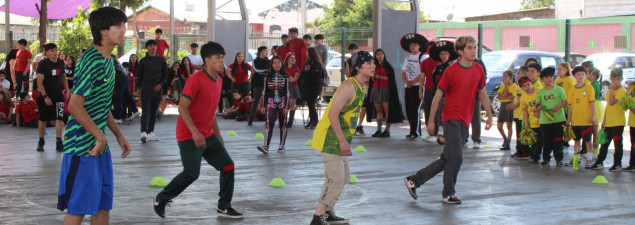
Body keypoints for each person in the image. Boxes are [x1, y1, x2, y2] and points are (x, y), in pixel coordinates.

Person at [57, 7, 131, 225]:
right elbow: (75, 106)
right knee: (78, 210)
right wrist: (100, 136)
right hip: (82, 147)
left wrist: (118, 135)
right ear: (103, 31)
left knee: (101, 207)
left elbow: (100, 105)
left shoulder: (108, 61)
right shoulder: (91, 60)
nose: (124, 30)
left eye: (124, 25)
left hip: (100, 148)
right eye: (118, 26)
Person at [152, 41, 243, 219]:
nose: (221, 61)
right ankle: (161, 198)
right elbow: (182, 108)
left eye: (222, 57)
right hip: (188, 134)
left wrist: (218, 134)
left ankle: (224, 206)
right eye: (217, 58)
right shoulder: (195, 79)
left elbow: (210, 110)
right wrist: (194, 132)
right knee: (192, 173)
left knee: (228, 166)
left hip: (208, 134)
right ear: (207, 60)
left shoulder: (218, 80)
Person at [404, 36, 492, 204]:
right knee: (456, 157)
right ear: (459, 51)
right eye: (469, 48)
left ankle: (414, 180)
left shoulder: (478, 69)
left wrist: (488, 114)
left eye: (474, 47)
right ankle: (448, 193)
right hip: (451, 117)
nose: (474, 50)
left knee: (449, 157)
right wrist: (431, 121)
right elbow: (438, 95)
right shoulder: (451, 71)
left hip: (465, 120)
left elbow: (482, 93)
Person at [309, 51, 374, 225]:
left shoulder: (361, 86)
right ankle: (317, 217)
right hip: (330, 137)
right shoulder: (349, 86)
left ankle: (328, 212)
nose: (373, 66)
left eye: (373, 63)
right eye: (368, 64)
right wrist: (342, 140)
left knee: (343, 177)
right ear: (358, 68)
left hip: (340, 138)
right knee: (335, 179)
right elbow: (332, 114)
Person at [35, 43, 70, 152]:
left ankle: (59, 141)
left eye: (56, 50)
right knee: (43, 119)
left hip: (58, 95)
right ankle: (41, 141)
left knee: (59, 118)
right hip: (46, 96)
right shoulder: (42, 64)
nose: (55, 53)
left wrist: (67, 91)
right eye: (52, 51)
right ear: (46, 52)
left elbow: (64, 78)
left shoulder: (60, 63)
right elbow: (39, 82)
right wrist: (45, 96)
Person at [425, 41, 460, 143]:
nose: (443, 56)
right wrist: (438, 91)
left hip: (450, 96)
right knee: (438, 112)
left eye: (445, 54)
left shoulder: (452, 66)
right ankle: (440, 133)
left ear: (449, 55)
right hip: (440, 94)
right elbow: (433, 76)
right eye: (441, 54)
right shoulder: (439, 66)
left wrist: (448, 94)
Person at [593, 68, 626, 172]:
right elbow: (608, 105)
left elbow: (612, 102)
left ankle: (617, 164)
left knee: (617, 144)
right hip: (609, 122)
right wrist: (604, 121)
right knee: (605, 144)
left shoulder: (622, 91)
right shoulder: (611, 91)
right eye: (613, 79)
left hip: (618, 122)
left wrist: (611, 90)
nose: (615, 82)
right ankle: (599, 162)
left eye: (617, 79)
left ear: (621, 79)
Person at [136, 39, 169, 143]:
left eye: (154, 45)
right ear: (147, 48)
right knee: (145, 111)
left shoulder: (161, 61)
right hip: (146, 89)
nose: (152, 47)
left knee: (153, 112)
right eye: (150, 46)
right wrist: (138, 89)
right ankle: (143, 132)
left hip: (157, 89)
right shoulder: (143, 61)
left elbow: (165, 75)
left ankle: (150, 132)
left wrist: (160, 85)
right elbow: (139, 77)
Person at [534, 67, 567, 166]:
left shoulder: (559, 89)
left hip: (558, 119)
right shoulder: (541, 92)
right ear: (542, 79)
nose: (550, 79)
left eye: (551, 77)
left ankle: (558, 159)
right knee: (546, 141)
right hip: (545, 121)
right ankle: (546, 158)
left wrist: (558, 106)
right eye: (547, 77)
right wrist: (539, 107)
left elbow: (565, 101)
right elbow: (536, 105)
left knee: (558, 140)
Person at [257, 56, 289, 154]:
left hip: (282, 102)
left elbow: (287, 91)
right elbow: (265, 91)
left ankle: (282, 145)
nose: (277, 64)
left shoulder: (286, 76)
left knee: (283, 124)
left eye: (278, 62)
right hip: (271, 102)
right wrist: (263, 105)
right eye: (274, 63)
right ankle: (266, 146)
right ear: (271, 64)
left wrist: (286, 106)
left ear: (281, 64)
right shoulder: (267, 76)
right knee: (269, 124)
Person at [369, 48, 404, 137]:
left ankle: (387, 130)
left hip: (386, 89)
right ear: (375, 56)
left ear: (384, 55)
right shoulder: (374, 66)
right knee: (378, 110)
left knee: (387, 110)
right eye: (378, 54)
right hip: (376, 88)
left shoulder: (388, 66)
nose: (379, 56)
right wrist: (372, 77)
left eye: (381, 54)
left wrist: (379, 77)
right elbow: (371, 78)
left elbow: (391, 79)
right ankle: (378, 130)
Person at [565, 66, 595, 169]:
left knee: (588, 141)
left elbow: (592, 103)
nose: (581, 76)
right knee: (576, 141)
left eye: (583, 74)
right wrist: (569, 119)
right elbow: (570, 105)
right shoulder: (571, 89)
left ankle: (589, 159)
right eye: (578, 74)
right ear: (574, 76)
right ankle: (576, 159)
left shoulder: (589, 88)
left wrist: (593, 116)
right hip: (575, 121)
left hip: (586, 120)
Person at [400, 33, 428, 141]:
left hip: (418, 86)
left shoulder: (423, 57)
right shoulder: (408, 57)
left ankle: (414, 132)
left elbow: (423, 73)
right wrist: (407, 81)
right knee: (408, 109)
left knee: (415, 109)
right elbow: (403, 71)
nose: (413, 46)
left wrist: (413, 81)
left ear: (419, 46)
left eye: (415, 44)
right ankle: (414, 131)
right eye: (411, 44)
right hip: (408, 86)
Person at [508, 66, 531, 159]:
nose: (517, 74)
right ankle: (519, 150)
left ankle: (524, 152)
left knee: (522, 134)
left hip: (523, 114)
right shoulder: (519, 84)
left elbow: (521, 100)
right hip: (517, 114)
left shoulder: (525, 85)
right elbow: (516, 98)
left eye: (519, 72)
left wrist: (513, 105)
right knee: (518, 134)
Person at [419, 41, 440, 142]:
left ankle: (437, 133)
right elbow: (422, 78)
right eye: (430, 48)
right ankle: (431, 133)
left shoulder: (441, 62)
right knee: (427, 110)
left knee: (438, 112)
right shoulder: (425, 62)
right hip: (428, 90)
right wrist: (420, 90)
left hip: (439, 90)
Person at [300, 47, 325, 129]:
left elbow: (312, 74)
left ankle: (314, 121)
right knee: (310, 104)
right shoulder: (308, 63)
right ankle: (312, 121)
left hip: (314, 86)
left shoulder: (316, 63)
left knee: (311, 104)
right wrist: (306, 74)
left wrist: (307, 74)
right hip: (308, 86)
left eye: (307, 53)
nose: (306, 54)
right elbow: (304, 73)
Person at [248, 46, 269, 126]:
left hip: (267, 83)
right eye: (265, 51)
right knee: (256, 101)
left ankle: (267, 120)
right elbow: (256, 70)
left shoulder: (269, 61)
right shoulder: (255, 61)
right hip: (258, 84)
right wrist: (266, 71)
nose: (267, 52)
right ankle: (251, 119)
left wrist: (267, 71)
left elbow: (271, 70)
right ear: (260, 52)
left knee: (268, 102)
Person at [497, 70, 517, 150]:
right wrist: (506, 94)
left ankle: (508, 142)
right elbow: (499, 96)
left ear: (511, 78)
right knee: (499, 125)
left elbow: (511, 96)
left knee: (509, 124)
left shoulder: (514, 86)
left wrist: (506, 90)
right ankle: (505, 138)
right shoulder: (501, 86)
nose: (504, 78)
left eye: (506, 76)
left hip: (509, 104)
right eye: (503, 76)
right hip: (502, 105)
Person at [284, 53, 301, 128]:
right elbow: (282, 78)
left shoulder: (296, 68)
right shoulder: (284, 68)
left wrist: (288, 78)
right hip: (285, 87)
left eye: (294, 58)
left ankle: (290, 122)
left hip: (293, 87)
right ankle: (284, 121)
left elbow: (295, 79)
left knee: (291, 104)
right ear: (287, 59)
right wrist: (289, 78)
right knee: (284, 105)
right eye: (291, 58)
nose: (293, 59)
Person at [112, 56, 128, 123]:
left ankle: (118, 117)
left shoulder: (109, 58)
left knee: (118, 98)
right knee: (126, 96)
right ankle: (135, 110)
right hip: (123, 77)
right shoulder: (113, 58)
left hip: (120, 78)